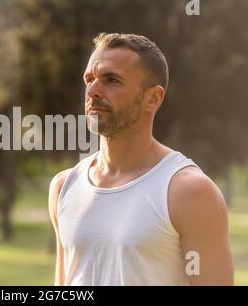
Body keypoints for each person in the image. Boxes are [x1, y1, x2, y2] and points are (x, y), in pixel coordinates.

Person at [48, 33, 234, 286]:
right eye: (89, 79)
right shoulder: (63, 187)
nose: (92, 91)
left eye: (111, 79)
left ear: (153, 98)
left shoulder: (190, 192)